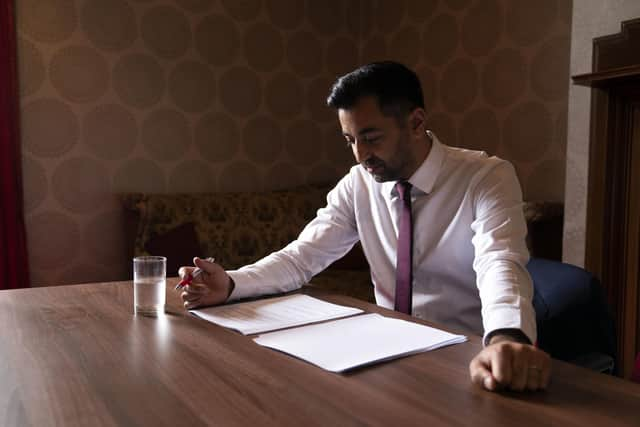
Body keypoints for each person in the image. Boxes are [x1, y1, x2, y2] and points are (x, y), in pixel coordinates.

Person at [179, 61, 551, 392]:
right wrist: (230, 283)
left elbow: (499, 262)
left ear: (417, 123)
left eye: (371, 138)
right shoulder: (359, 184)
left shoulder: (485, 177)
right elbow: (302, 257)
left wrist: (506, 337)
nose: (360, 156)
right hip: (386, 354)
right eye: (350, 140)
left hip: (467, 354)